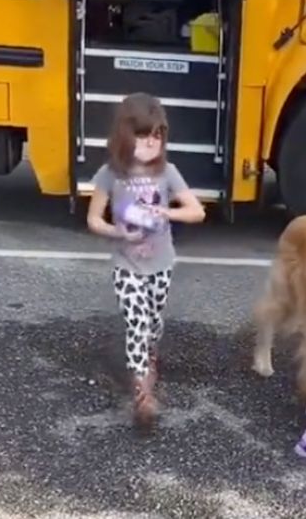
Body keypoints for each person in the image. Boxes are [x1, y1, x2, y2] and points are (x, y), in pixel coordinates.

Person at [86, 93, 206, 427]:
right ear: (125, 135)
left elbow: (197, 211)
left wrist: (165, 211)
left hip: (162, 263)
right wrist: (118, 232)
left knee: (153, 322)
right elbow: (94, 219)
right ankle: (142, 393)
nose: (151, 142)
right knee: (136, 322)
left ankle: (150, 355)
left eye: (157, 135)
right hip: (127, 265)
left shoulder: (168, 172)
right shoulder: (110, 173)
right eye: (143, 134)